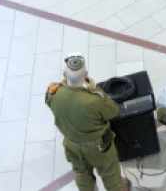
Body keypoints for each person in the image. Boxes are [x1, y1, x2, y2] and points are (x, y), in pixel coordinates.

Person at [46, 53, 129, 191]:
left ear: (64, 74)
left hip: (71, 145)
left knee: (82, 174)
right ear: (85, 75)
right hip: (97, 147)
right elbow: (113, 111)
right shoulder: (94, 99)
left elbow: (51, 103)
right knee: (110, 174)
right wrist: (94, 88)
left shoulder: (53, 93)